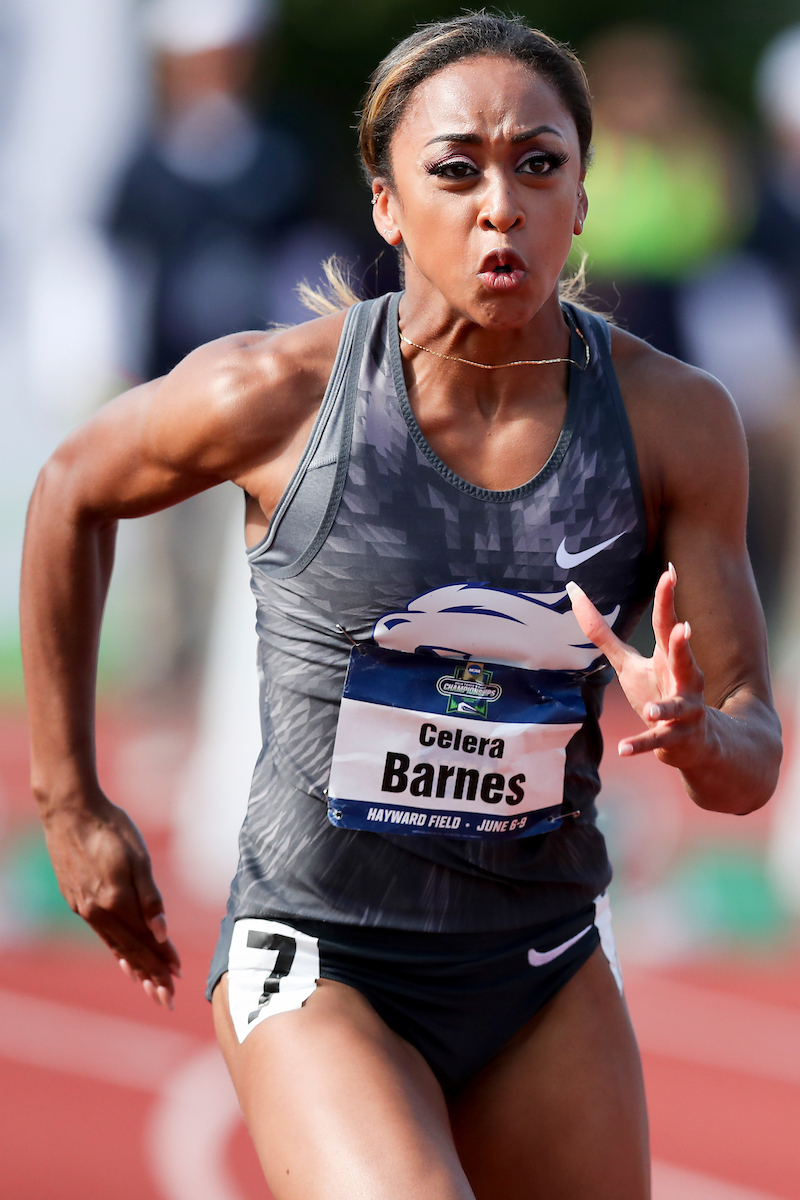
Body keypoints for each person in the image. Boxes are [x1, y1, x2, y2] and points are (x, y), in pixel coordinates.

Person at [20, 13, 781, 1200]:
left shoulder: (674, 421)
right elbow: (70, 488)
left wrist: (698, 733)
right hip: (323, 958)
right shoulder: (274, 392)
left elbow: (749, 763)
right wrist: (71, 802)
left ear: (582, 198)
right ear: (385, 204)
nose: (500, 203)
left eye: (539, 164)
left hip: (541, 961)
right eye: (454, 168)